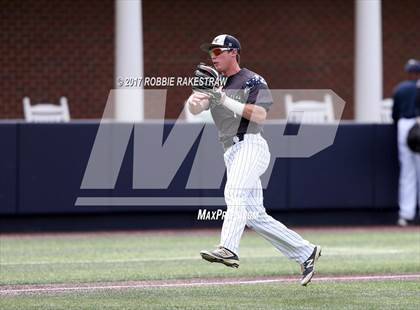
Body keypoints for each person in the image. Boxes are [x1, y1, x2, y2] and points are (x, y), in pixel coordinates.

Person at [186, 34, 321, 286]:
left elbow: (260, 115)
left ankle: (228, 248)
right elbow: (198, 106)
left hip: (250, 144)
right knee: (255, 215)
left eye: (218, 52)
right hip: (231, 150)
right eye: (211, 53)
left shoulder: (251, 80)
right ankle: (306, 251)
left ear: (233, 52)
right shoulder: (217, 81)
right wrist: (195, 101)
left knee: (234, 192)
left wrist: (223, 98)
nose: (213, 56)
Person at [392, 59, 420, 227]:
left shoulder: (400, 88)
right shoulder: (414, 88)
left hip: (403, 126)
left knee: (407, 172)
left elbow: (394, 115)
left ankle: (406, 214)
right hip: (417, 124)